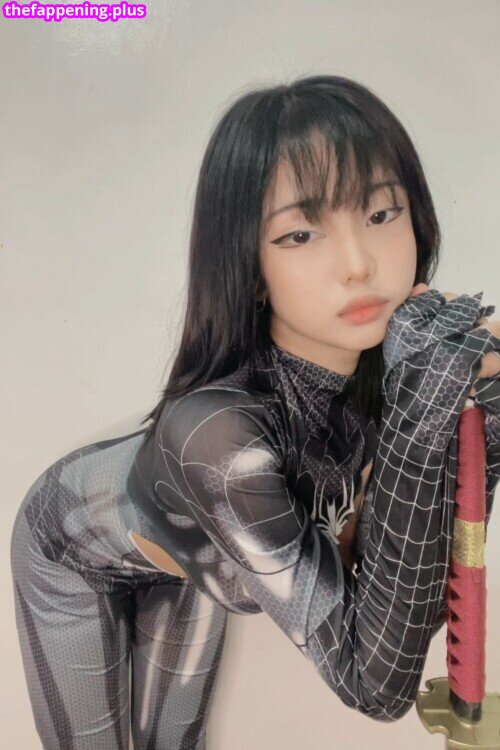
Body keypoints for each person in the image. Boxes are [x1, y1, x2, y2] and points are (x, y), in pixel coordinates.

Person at [10, 74, 500, 749]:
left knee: (177, 740)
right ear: (247, 262)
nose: (358, 264)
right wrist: (422, 418)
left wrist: (479, 424)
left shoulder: (390, 372)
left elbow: (412, 603)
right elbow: (376, 685)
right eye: (300, 234)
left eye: (381, 214)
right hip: (69, 548)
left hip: (191, 551)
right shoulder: (221, 442)